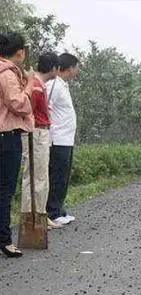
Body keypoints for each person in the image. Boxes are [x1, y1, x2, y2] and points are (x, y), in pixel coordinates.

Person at [0, 32, 35, 258]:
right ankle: (4, 239)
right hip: (6, 138)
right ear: (20, 52)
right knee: (4, 189)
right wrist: (30, 84)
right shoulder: (7, 73)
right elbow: (19, 104)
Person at [21, 52, 61, 231]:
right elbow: (27, 110)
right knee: (35, 176)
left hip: (42, 133)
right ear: (53, 68)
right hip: (36, 133)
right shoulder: (36, 85)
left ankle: (41, 214)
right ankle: (32, 216)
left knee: (41, 176)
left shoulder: (39, 84)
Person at [46, 53, 80, 226]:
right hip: (57, 139)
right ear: (70, 68)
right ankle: (52, 212)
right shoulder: (54, 85)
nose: (77, 71)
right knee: (57, 175)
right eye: (77, 67)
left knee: (63, 175)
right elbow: (46, 108)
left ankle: (59, 209)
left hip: (66, 139)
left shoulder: (63, 85)